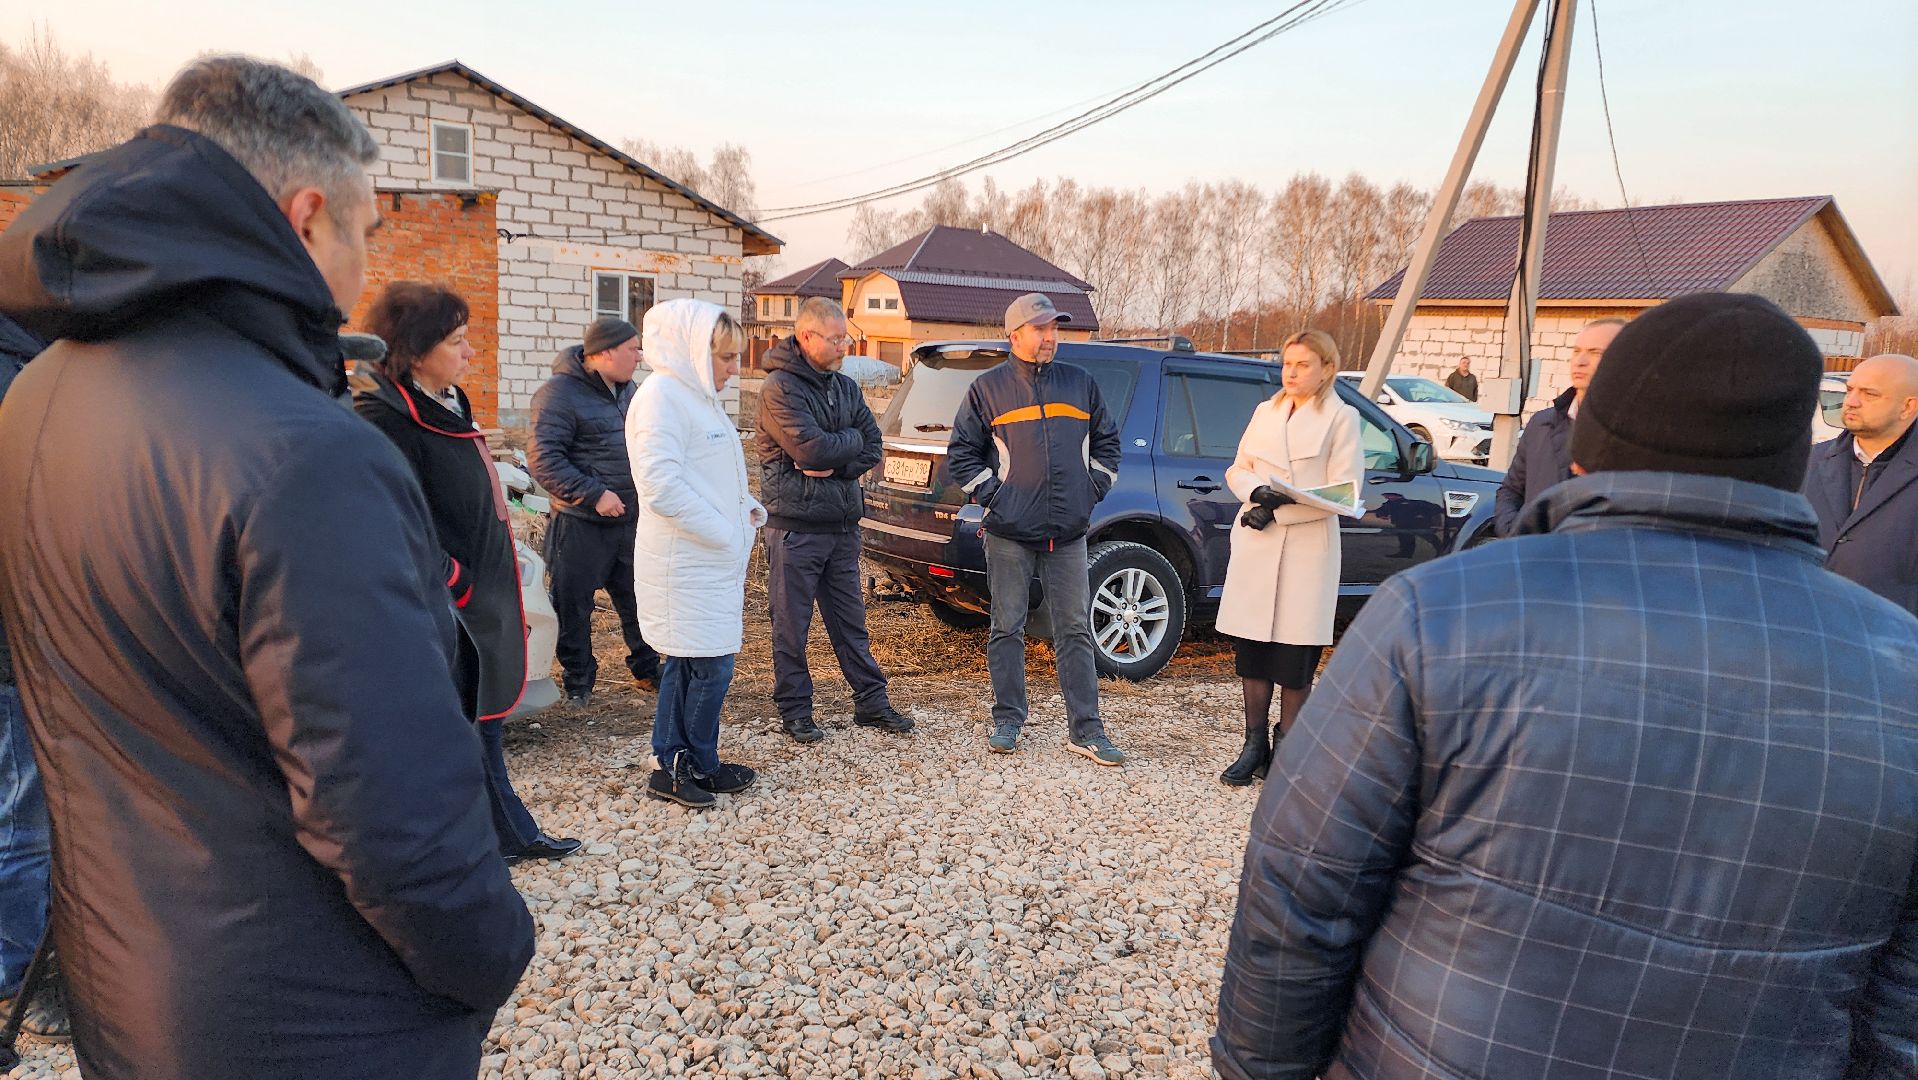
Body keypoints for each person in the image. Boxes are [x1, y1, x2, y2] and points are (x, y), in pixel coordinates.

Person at [1214, 292, 1918, 1080]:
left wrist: (1261, 1068)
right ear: (1797, 461)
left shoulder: (1440, 614)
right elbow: (1900, 1006)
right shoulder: (1901, 668)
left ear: (1586, 448)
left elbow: (1303, 888)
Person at [0, 57, 533, 1080]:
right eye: (365, 230)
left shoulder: (42, 394)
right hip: (308, 1014)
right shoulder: (305, 452)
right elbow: (389, 813)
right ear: (303, 218)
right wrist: (493, 953)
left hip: (131, 977)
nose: (365, 262)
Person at [355, 281, 581, 864]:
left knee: (480, 719)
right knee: (457, 725)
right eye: (457, 341)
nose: (470, 353)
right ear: (414, 348)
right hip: (446, 603)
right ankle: (483, 840)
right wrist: (454, 579)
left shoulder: (448, 401)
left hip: (481, 593)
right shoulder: (384, 418)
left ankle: (498, 833)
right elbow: (394, 520)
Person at [948, 293, 1125, 765]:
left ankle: (1086, 729)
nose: (1050, 337)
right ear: (1015, 336)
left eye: (1054, 329)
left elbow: (1108, 442)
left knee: (1074, 630)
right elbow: (961, 454)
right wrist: (996, 496)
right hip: (1009, 531)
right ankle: (1008, 719)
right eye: (1040, 329)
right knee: (1007, 626)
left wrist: (1094, 487)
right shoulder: (988, 389)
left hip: (1067, 532)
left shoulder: (1080, 383)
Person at [756, 296, 914, 743]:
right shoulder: (779, 390)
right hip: (796, 529)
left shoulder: (844, 387)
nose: (845, 345)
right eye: (836, 338)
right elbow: (809, 451)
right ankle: (796, 710)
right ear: (807, 337)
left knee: (851, 622)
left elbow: (871, 444)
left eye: (847, 336)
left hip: (842, 525)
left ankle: (872, 703)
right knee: (791, 624)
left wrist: (838, 460)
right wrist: (837, 449)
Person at [626, 300, 765, 809]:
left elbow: (712, 475)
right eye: (726, 357)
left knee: (691, 665)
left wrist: (745, 508)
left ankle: (686, 762)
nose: (734, 368)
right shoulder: (661, 397)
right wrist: (723, 533)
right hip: (685, 562)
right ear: (692, 350)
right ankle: (683, 763)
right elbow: (660, 485)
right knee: (709, 667)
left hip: (707, 562)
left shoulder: (698, 398)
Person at [1214, 330, 1362, 787]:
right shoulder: (1266, 411)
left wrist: (1277, 506)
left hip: (1305, 548)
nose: (1292, 372)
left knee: (1294, 657)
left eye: (1302, 364)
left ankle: (1288, 750)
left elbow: (1345, 491)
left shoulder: (1342, 417)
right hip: (1257, 545)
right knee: (1253, 651)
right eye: (1287, 363)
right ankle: (1252, 746)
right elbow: (1238, 467)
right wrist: (1255, 492)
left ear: (1326, 369)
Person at [527, 315, 660, 706]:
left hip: (628, 519)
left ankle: (648, 670)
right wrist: (593, 494)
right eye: (632, 349)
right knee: (574, 606)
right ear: (603, 353)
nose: (639, 356)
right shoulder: (558, 395)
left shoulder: (628, 391)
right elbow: (543, 459)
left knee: (638, 600)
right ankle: (578, 683)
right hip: (580, 523)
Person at [0, 315, 66, 1042]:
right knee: (25, 820)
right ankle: (18, 972)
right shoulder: (20, 376)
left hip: (24, 639)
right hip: (16, 644)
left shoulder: (28, 367)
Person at [1804, 352, 1918, 616]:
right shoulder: (1808, 462)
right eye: (1850, 390)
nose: (1851, 402)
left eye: (1869, 394)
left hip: (1895, 641)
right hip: (1808, 631)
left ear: (1908, 407)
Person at [1492, 316, 1624, 536]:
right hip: (1535, 558)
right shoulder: (1541, 424)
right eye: (1576, 351)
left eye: (1595, 353)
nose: (1580, 361)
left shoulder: (1638, 436)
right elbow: (1510, 491)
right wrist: (1514, 535)